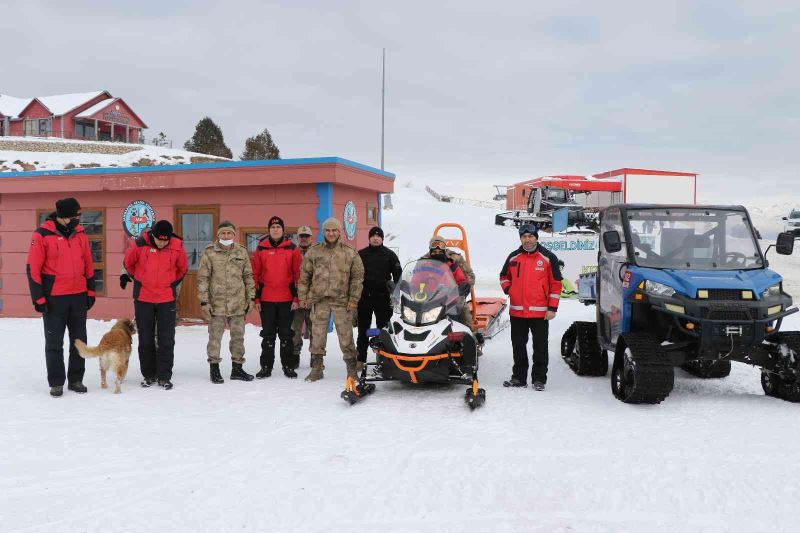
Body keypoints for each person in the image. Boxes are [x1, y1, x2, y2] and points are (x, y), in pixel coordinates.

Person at [27, 197, 95, 397]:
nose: (79, 219)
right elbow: (33, 268)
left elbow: (89, 264)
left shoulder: (81, 234)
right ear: (65, 216)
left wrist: (90, 291)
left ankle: (76, 380)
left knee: (79, 341)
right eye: (77, 215)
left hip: (78, 296)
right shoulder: (42, 235)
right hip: (54, 299)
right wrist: (38, 298)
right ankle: (56, 382)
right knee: (55, 343)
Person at [122, 219, 188, 389]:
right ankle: (148, 374)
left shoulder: (177, 246)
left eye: (166, 240)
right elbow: (128, 263)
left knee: (167, 339)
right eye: (159, 239)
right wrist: (139, 281)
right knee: (146, 339)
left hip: (166, 299)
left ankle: (164, 375)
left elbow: (182, 268)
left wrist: (172, 283)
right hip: (144, 298)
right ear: (153, 235)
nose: (162, 243)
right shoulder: (139, 243)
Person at [297, 217, 364, 382]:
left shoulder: (349, 252)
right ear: (323, 232)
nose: (331, 233)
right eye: (328, 230)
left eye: (334, 230)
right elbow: (305, 276)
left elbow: (357, 278)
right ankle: (317, 368)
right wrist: (303, 296)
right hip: (319, 300)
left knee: (346, 336)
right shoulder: (314, 251)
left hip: (342, 301)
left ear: (339, 232)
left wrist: (353, 299)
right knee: (318, 335)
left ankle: (351, 369)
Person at [499, 224, 562, 391]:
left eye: (530, 236)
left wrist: (552, 308)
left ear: (536, 237)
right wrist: (509, 289)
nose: (527, 240)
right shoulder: (513, 257)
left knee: (540, 347)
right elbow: (503, 276)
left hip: (540, 313)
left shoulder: (548, 258)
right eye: (524, 237)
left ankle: (539, 379)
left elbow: (556, 284)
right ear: (521, 238)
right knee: (518, 346)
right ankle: (519, 378)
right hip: (517, 311)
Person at [197, 220, 256, 384]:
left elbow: (248, 276)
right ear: (218, 235)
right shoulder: (210, 252)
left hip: (238, 303)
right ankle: (214, 369)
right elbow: (203, 278)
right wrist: (204, 302)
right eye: (223, 233)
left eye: (229, 233)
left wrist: (251, 297)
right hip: (216, 304)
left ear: (233, 235)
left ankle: (237, 369)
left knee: (238, 337)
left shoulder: (241, 252)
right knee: (215, 338)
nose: (226, 236)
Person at [252, 216, 302, 378]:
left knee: (286, 334)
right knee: (268, 334)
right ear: (268, 230)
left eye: (278, 227)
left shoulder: (292, 248)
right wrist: (256, 299)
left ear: (283, 230)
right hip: (266, 299)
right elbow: (255, 275)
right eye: (272, 227)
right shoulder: (261, 249)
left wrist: (296, 298)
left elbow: (298, 274)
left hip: (287, 299)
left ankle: (288, 366)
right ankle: (266, 366)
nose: (275, 229)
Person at [356, 226, 402, 371]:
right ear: (369, 238)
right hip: (364, 299)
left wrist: (395, 293)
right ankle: (360, 359)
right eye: (373, 236)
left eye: (378, 236)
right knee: (363, 330)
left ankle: (385, 359)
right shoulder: (361, 254)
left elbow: (398, 275)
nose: (375, 238)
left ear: (382, 238)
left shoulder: (390, 255)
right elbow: (354, 275)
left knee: (384, 330)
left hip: (383, 298)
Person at [422, 236, 474, 328]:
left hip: (451, 299)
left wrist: (463, 289)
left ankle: (471, 335)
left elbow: (465, 278)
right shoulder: (424, 263)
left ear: (444, 251)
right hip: (430, 299)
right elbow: (415, 279)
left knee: (464, 313)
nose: (437, 254)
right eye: (434, 252)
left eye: (439, 251)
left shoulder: (453, 263)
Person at [291, 225, 315, 365]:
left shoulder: (318, 252)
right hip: (297, 298)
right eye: (302, 236)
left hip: (313, 299)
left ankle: (315, 356)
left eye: (307, 236)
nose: (304, 239)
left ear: (311, 237)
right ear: (298, 238)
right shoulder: (292, 252)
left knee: (314, 331)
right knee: (295, 330)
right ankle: (295, 355)